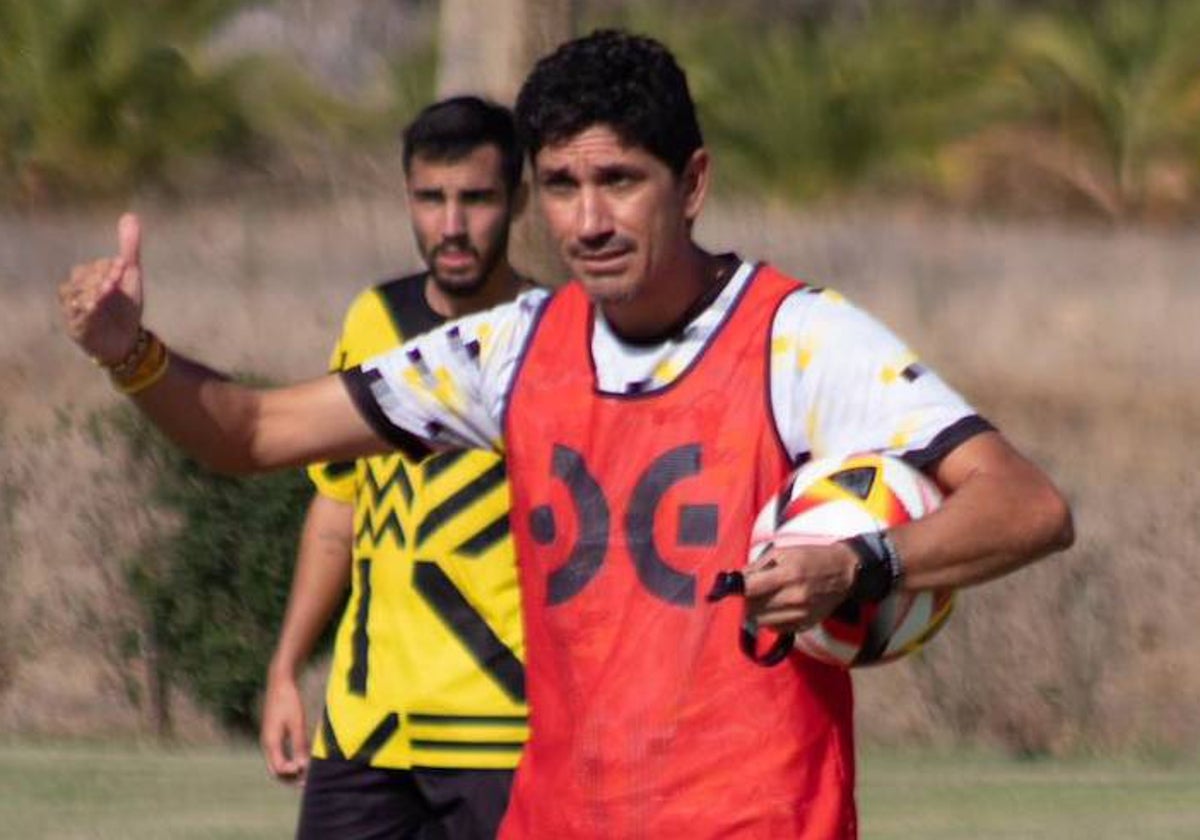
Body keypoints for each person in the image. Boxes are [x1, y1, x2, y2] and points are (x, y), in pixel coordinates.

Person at [60, 29, 1073, 840]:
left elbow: (1028, 505)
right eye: (558, 185)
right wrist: (131, 353)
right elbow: (254, 430)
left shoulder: (799, 338)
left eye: (620, 181)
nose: (587, 219)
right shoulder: (508, 350)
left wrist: (864, 563)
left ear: (694, 181)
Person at [257, 97, 533, 839]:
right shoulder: (370, 320)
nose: (451, 225)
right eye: (430, 198)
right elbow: (338, 510)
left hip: (504, 731)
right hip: (365, 729)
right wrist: (286, 670)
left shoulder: (556, 337)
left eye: (475, 198)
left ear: (518, 200)